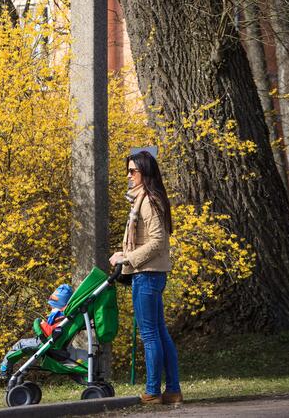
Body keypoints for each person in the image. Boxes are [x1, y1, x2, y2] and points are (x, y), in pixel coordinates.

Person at [109, 151, 182, 405]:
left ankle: (153, 391)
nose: (128, 176)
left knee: (150, 335)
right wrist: (124, 253)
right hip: (150, 274)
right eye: (127, 171)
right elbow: (146, 240)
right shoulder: (144, 199)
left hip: (147, 275)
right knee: (160, 333)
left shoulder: (148, 201)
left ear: (145, 173)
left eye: (133, 171)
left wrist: (127, 259)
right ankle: (172, 391)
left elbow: (158, 242)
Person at [0, 284, 74, 380]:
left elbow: (49, 332)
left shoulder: (59, 316)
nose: (51, 309)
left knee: (20, 345)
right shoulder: (65, 316)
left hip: (46, 342)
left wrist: (40, 323)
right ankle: (8, 369)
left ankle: (3, 369)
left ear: (59, 304)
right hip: (51, 342)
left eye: (53, 307)